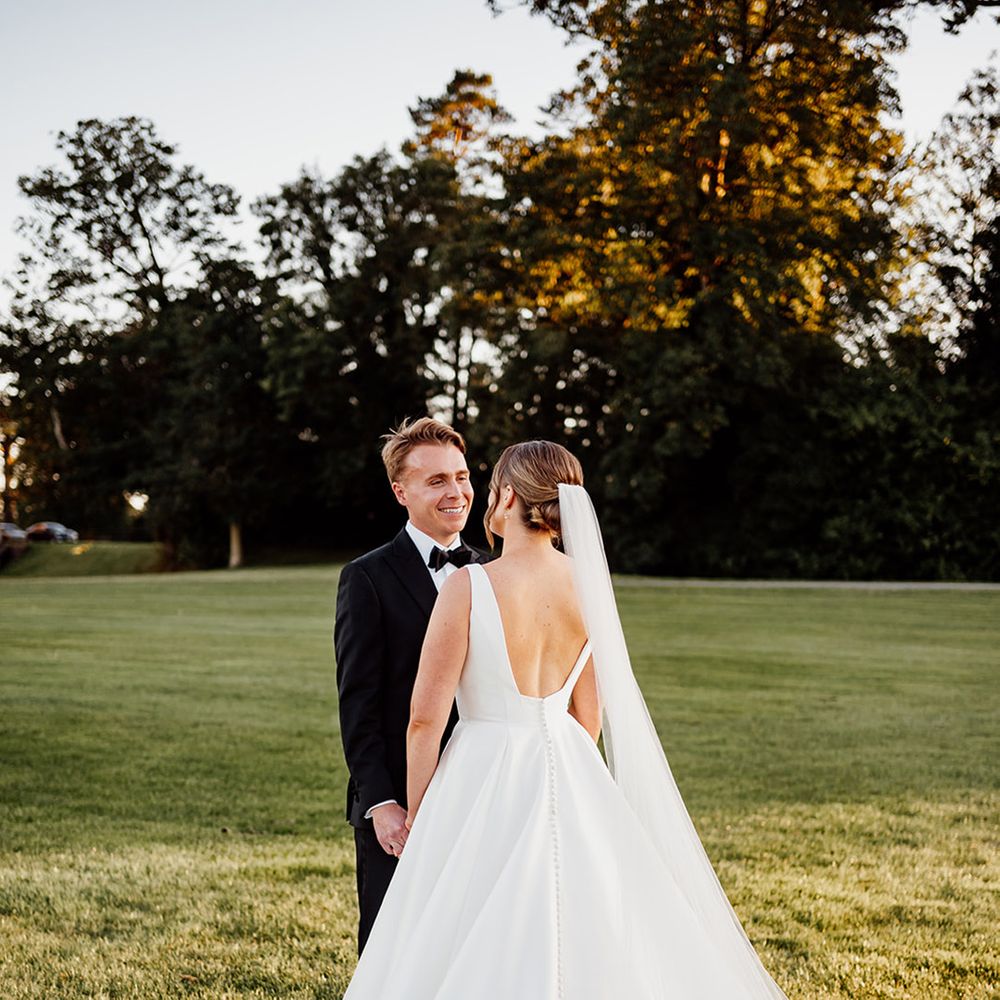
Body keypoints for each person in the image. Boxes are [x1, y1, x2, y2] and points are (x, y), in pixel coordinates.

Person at [343, 440, 789, 999]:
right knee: (582, 916)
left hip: (482, 764)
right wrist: (566, 764)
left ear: (506, 495)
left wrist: (425, 816)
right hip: (568, 758)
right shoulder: (587, 583)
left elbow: (423, 723)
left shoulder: (470, 584)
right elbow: (589, 711)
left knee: (469, 922)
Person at [334, 417, 489, 954]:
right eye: (437, 481)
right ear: (400, 492)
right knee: (392, 951)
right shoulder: (368, 577)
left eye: (462, 476)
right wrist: (382, 802)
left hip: (483, 790)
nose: (456, 492)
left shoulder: (494, 574)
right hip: (398, 802)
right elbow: (359, 702)